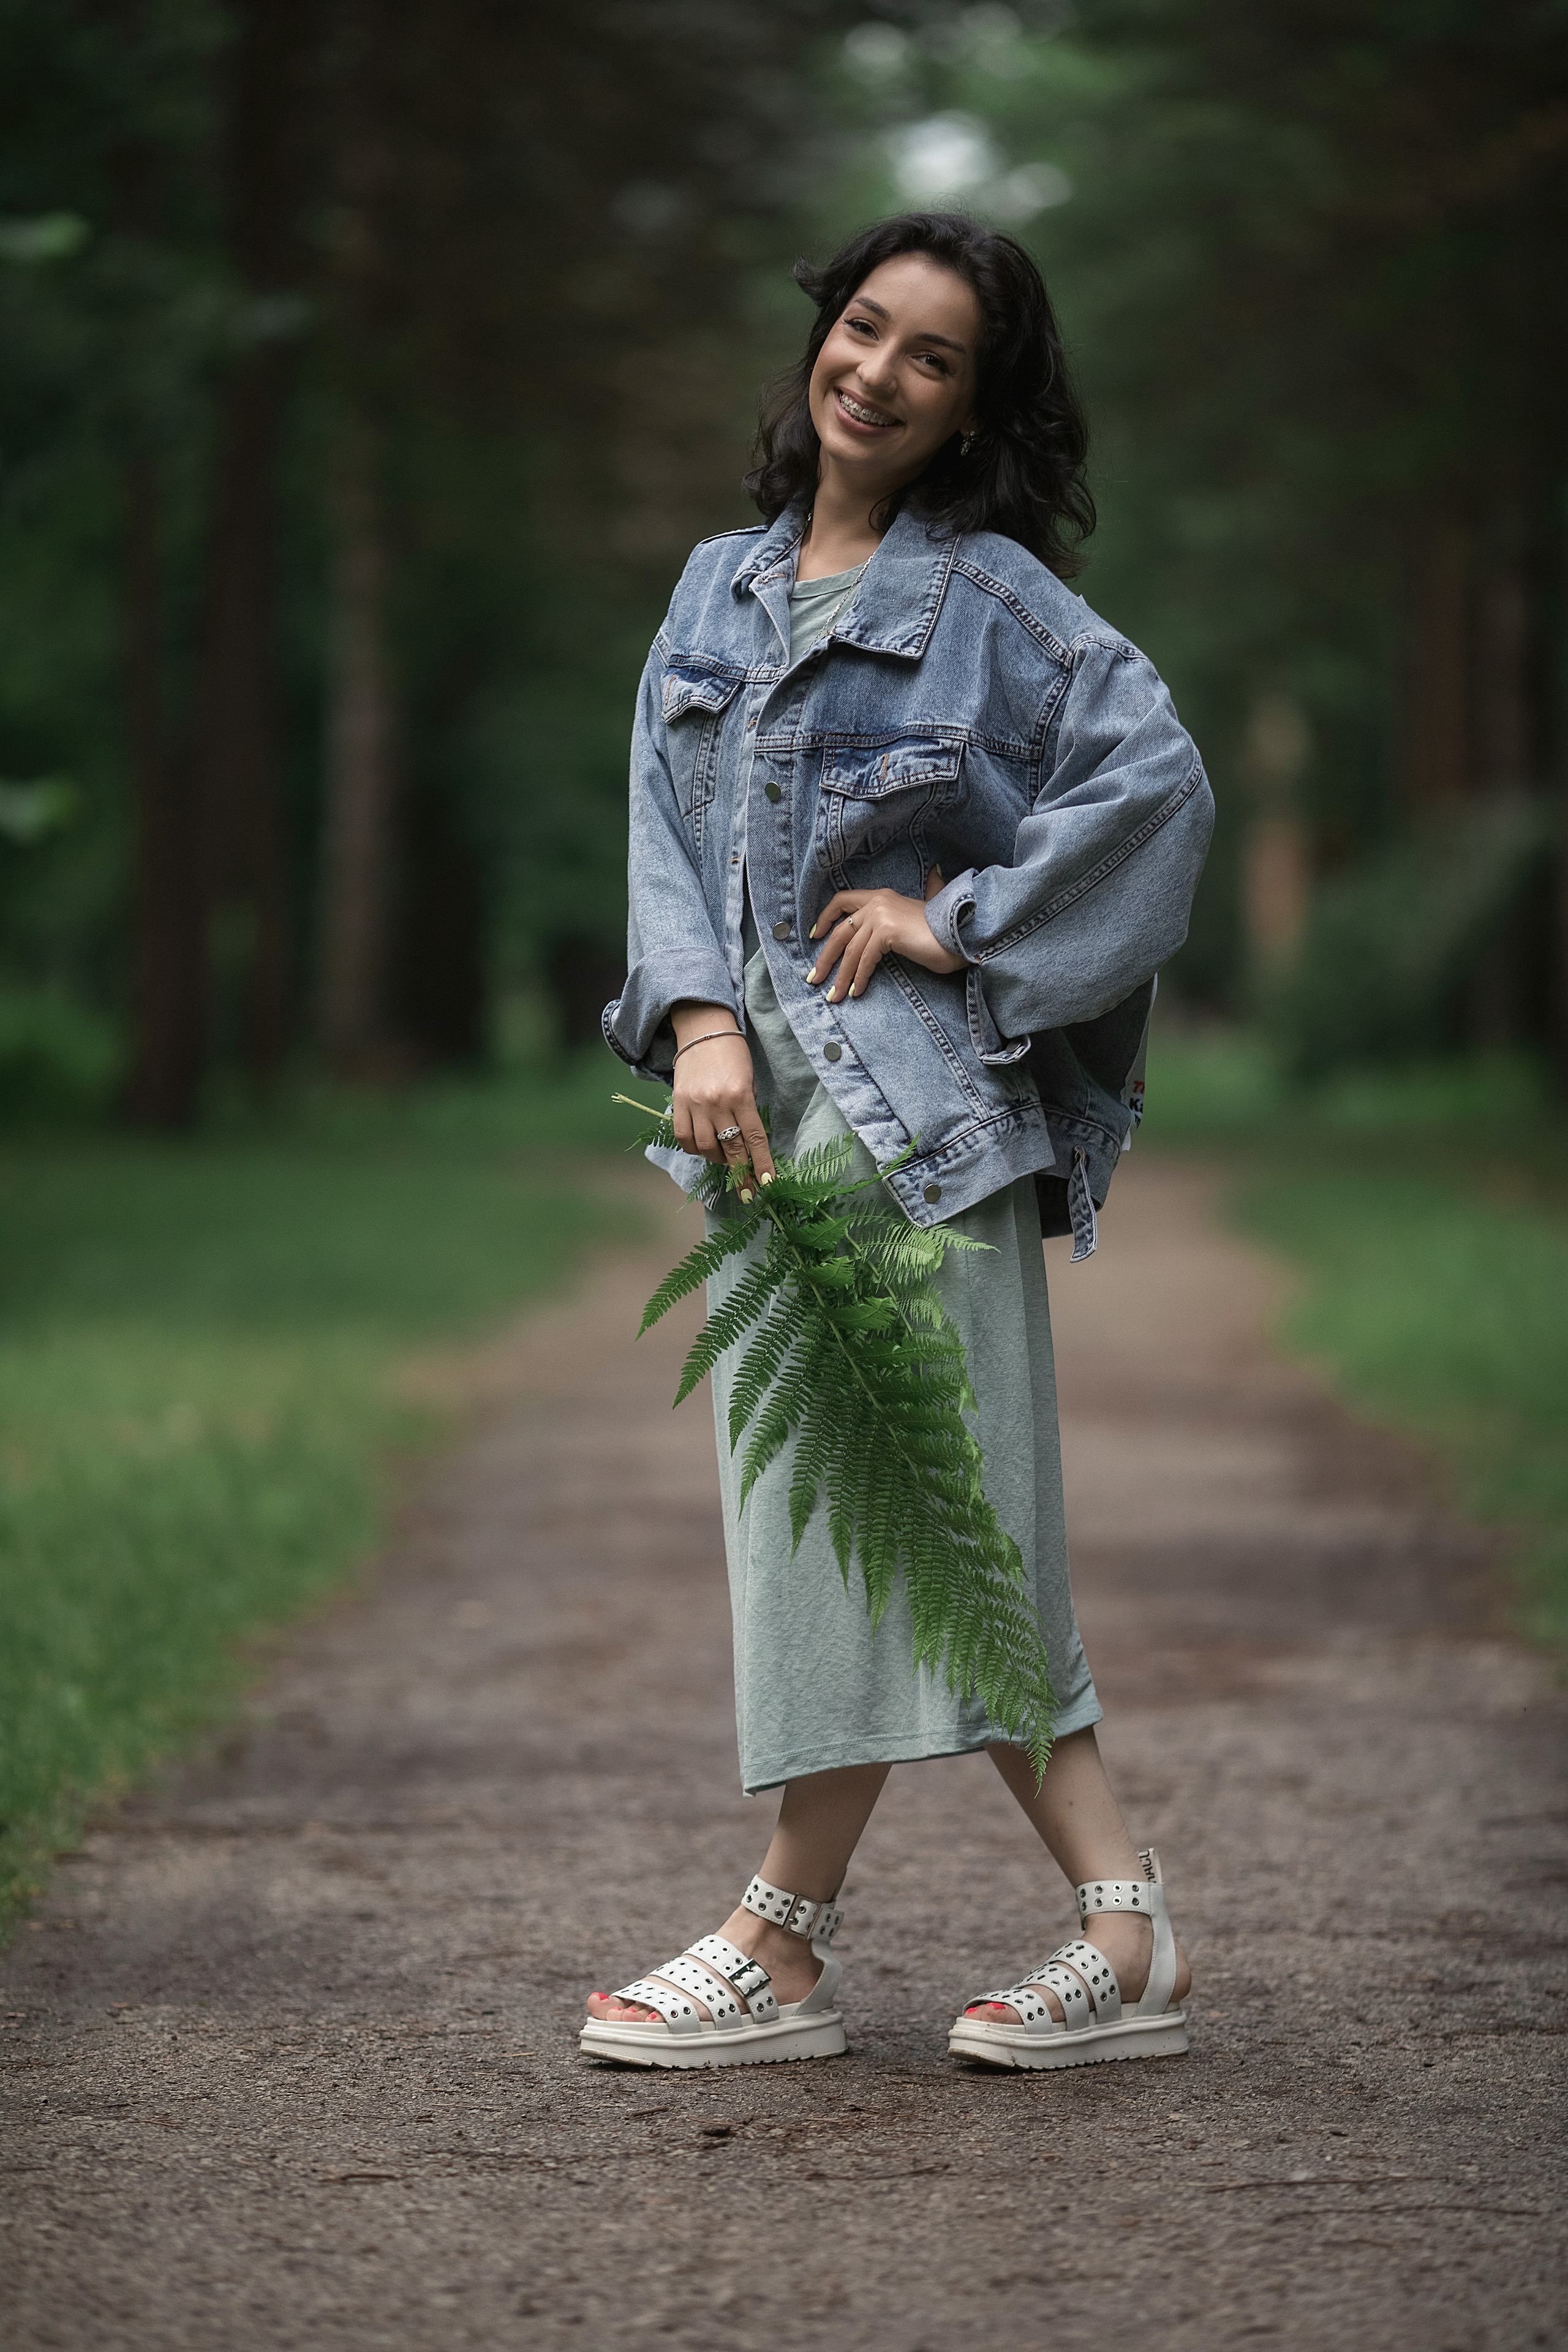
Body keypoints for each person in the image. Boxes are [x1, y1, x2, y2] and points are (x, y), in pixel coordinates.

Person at [588, 212, 1212, 2072]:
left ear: (969, 410)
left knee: (873, 1521)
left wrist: (970, 922)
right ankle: (1123, 1926)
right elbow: (661, 833)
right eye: (864, 330)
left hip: (916, 1122)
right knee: (925, 1525)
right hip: (758, 1122)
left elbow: (1157, 785)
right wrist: (702, 1023)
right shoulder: (715, 589)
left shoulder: (1002, 611)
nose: (877, 372)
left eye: (931, 358)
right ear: (822, 342)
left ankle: (781, 1937)